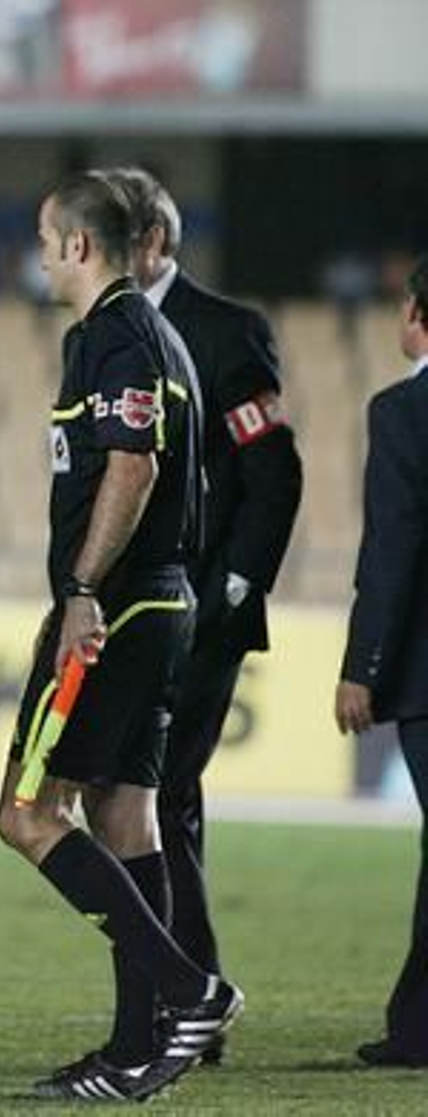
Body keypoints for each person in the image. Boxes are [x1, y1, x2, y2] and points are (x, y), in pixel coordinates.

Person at [0, 171, 241, 1103]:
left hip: (120, 606)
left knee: (25, 812)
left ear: (77, 246)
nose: (39, 257)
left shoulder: (116, 337)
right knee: (127, 816)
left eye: (45, 240)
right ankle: (137, 1047)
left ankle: (190, 990)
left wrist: (82, 591)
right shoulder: (156, 335)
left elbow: (129, 470)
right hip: (156, 604)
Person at [110, 166, 302, 1068]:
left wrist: (231, 589)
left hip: (201, 613)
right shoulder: (109, 330)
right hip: (133, 613)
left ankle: (183, 997)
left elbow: (273, 472)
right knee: (152, 802)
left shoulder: (227, 331)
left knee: (157, 796)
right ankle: (180, 995)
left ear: (152, 242)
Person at [336, 257, 428, 1069]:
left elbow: (394, 548)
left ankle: (419, 1028)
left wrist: (363, 664)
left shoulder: (404, 412)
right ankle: (417, 1024)